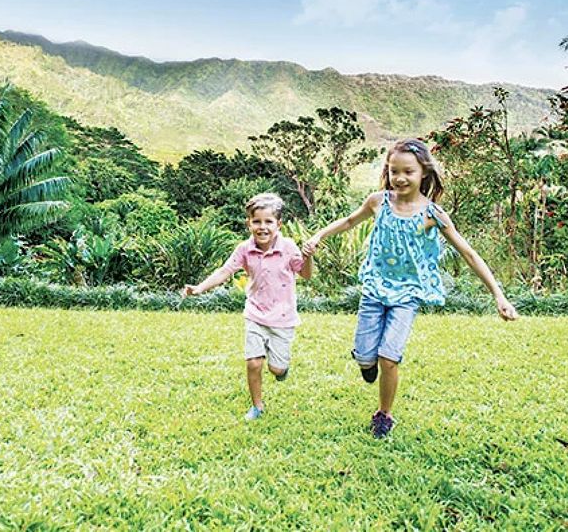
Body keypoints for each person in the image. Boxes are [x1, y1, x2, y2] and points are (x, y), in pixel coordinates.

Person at [303, 138, 517, 438]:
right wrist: (318, 236)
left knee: (389, 357)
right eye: (394, 171)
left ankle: (384, 415)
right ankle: (366, 361)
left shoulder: (433, 215)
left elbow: (468, 253)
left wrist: (499, 294)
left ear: (424, 174)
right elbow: (350, 221)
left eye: (408, 172)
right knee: (368, 357)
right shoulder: (378, 202)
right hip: (375, 288)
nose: (400, 178)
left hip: (408, 294)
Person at [182, 192, 313, 421]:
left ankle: (281, 369)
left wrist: (308, 257)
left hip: (283, 318)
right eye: (257, 221)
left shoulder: (289, 247)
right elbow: (225, 271)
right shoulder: (245, 248)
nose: (262, 227)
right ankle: (257, 406)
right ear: (249, 223)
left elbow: (306, 274)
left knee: (276, 369)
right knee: (253, 363)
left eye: (268, 222)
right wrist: (200, 288)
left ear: (278, 224)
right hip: (255, 314)